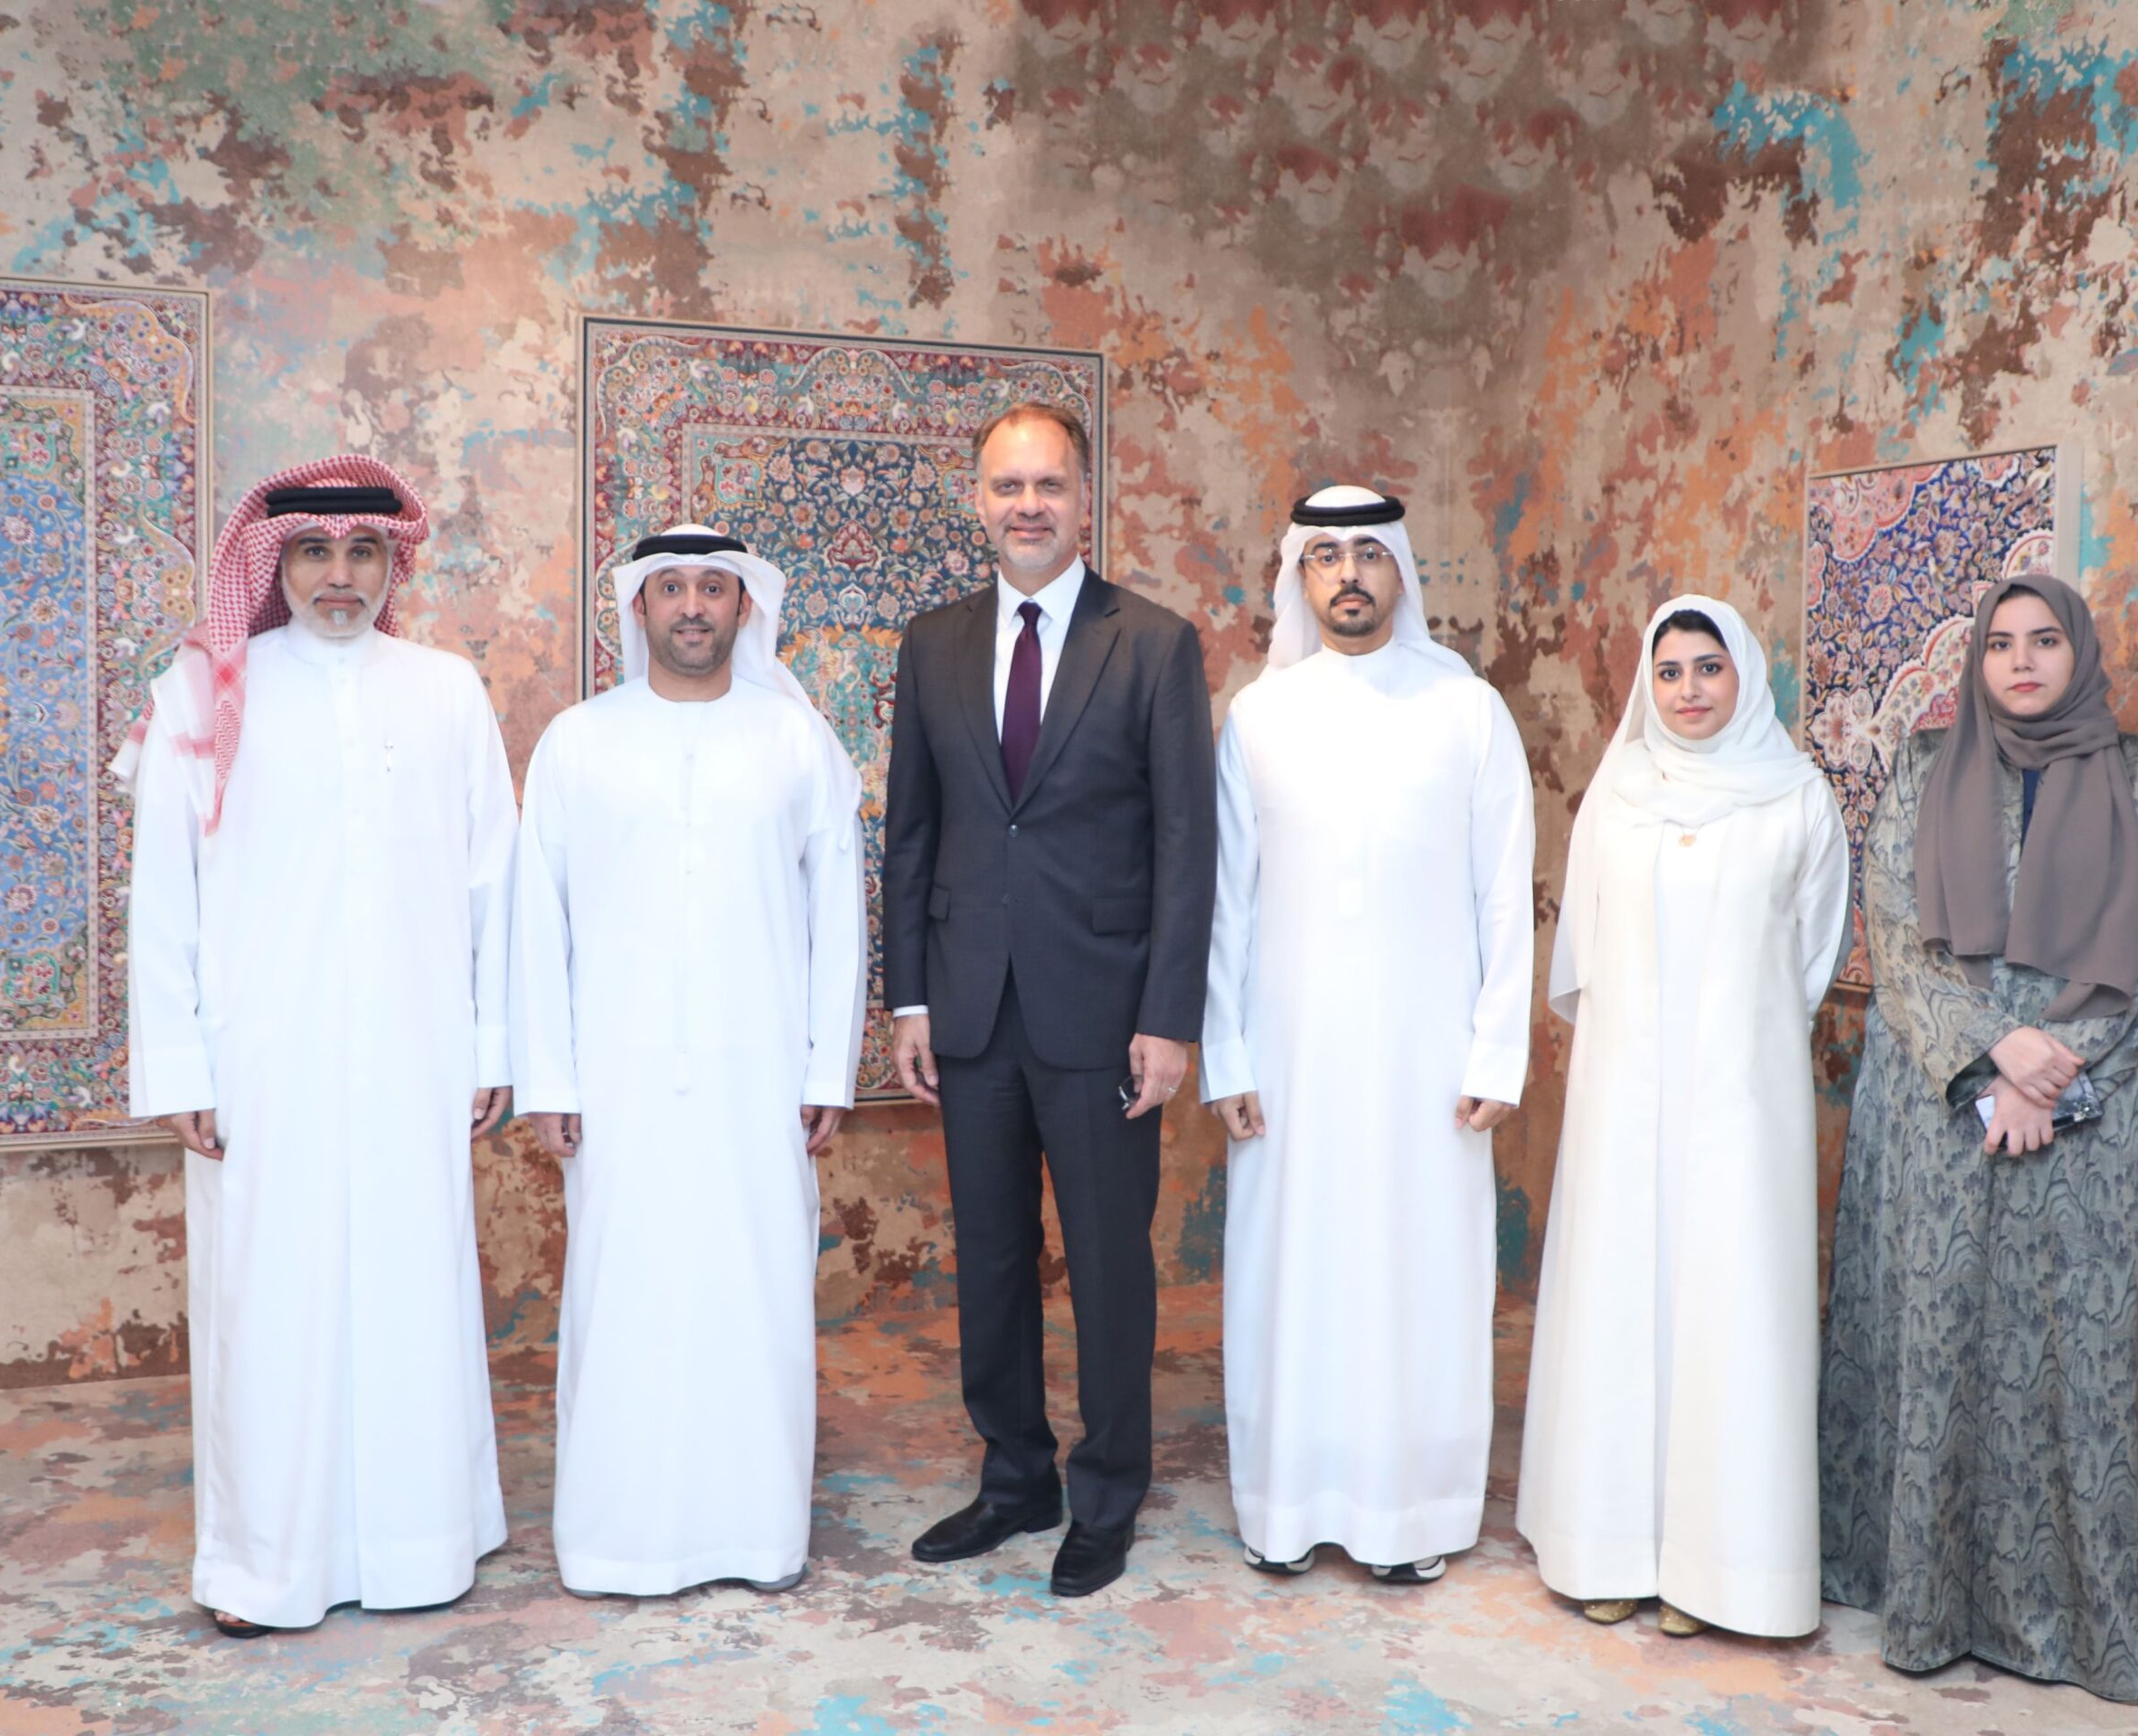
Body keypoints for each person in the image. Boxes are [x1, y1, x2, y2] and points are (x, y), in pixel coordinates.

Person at [1818, 572, 2138, 1700]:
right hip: (1942, 1102)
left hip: (2098, 1118)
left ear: (2076, 653)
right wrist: (1993, 1053)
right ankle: (1930, 1604)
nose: (2020, 661)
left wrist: (2049, 1073)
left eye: (2044, 639)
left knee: (2084, 1362)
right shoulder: (1924, 768)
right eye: (2000, 642)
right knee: (1945, 1346)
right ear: (1978, 659)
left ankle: (2090, 1619)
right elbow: (1895, 937)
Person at [118, 455, 515, 1637]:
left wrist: (493, 1045)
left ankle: (421, 1546)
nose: (339, 576)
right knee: (271, 1302)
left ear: (393, 562)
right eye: (313, 552)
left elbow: (492, 882)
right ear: (274, 562)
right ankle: (264, 1566)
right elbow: (164, 895)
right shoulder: (200, 694)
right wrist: (180, 1064)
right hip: (261, 1061)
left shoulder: (446, 691)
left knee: (409, 1290)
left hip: (416, 1051)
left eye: (361, 553)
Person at [882, 401, 1216, 1597]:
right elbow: (911, 834)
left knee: (1109, 1263)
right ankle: (1015, 1478)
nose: (1028, 505)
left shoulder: (1155, 644)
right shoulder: (932, 643)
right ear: (976, 500)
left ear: (1084, 499)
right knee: (991, 1256)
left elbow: (1187, 844)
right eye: (1007, 485)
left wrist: (1168, 1017)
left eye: (1050, 485)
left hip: (1105, 1012)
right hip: (970, 1007)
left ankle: (1107, 1495)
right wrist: (908, 1000)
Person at [508, 524, 866, 1597]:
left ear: (744, 606)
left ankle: (757, 1537)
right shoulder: (578, 741)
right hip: (616, 1081)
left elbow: (838, 915)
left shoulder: (795, 738)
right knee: (624, 1298)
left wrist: (825, 1072)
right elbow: (538, 921)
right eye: (672, 589)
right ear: (640, 608)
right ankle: (614, 1541)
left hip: (760, 1077)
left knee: (755, 1293)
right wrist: (549, 1077)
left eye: (714, 588)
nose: (694, 607)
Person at [1200, 485, 1534, 1585]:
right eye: (1325, 555)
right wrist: (1225, 1054)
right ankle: (1286, 1510)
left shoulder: (1468, 711)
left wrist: (1495, 1052)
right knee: (1291, 1277)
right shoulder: (1259, 717)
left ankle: (1412, 1519)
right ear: (1299, 576)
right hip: (1287, 1058)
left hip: (1426, 1060)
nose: (1347, 574)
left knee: (1417, 1275)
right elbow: (1227, 903)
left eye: (1367, 554)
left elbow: (1504, 897)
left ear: (1399, 569)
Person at [1516, 594, 1847, 1638]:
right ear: (1646, 686)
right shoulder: (1617, 794)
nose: (1689, 689)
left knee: (1729, 1310)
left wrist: (1733, 1039)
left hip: (1743, 1100)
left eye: (1708, 667)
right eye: (1668, 672)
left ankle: (1719, 1571)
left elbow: (1813, 957)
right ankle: (1605, 1548)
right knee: (1617, 1302)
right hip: (1623, 1094)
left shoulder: (1797, 800)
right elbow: (1583, 949)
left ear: (1744, 676)